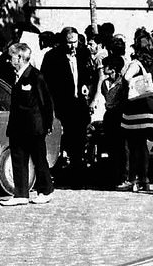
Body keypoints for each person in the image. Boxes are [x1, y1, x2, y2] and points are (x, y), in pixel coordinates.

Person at [0, 42, 54, 206]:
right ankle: (21, 194)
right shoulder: (14, 76)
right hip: (17, 127)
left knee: (39, 159)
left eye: (11, 57)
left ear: (19, 57)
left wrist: (47, 124)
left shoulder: (36, 76)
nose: (9, 60)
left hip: (34, 127)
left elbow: (46, 102)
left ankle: (45, 191)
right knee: (18, 159)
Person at [40, 26, 94, 186]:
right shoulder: (52, 57)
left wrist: (85, 86)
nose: (72, 46)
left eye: (75, 42)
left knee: (79, 140)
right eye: (69, 42)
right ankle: (60, 173)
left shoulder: (84, 53)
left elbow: (88, 74)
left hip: (79, 105)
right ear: (63, 42)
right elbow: (45, 84)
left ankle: (77, 175)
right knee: (63, 139)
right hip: (61, 105)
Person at [120, 38, 153, 193]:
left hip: (135, 107)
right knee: (143, 146)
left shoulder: (136, 64)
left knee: (132, 145)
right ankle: (144, 179)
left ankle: (132, 178)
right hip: (148, 106)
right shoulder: (152, 65)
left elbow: (126, 77)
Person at [98, 55, 126, 188]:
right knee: (111, 147)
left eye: (106, 66)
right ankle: (113, 175)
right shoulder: (105, 83)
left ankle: (122, 175)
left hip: (119, 115)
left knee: (121, 147)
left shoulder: (123, 83)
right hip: (109, 115)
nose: (103, 68)